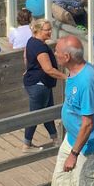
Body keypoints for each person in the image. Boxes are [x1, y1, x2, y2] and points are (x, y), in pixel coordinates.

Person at [51, 35, 94, 186]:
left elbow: (88, 123)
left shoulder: (86, 81)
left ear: (67, 57)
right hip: (71, 140)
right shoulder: (73, 72)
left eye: (57, 51)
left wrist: (73, 154)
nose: (55, 54)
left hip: (87, 148)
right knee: (62, 183)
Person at [22, 19, 64, 150]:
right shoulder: (40, 47)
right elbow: (48, 69)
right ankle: (26, 145)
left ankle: (56, 139)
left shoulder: (31, 41)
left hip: (39, 83)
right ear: (38, 31)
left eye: (50, 28)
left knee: (48, 112)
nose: (50, 31)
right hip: (39, 84)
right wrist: (67, 77)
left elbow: (25, 56)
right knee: (34, 116)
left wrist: (28, 68)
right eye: (47, 29)